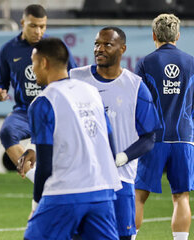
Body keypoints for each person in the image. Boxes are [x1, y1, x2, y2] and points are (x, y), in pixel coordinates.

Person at [23, 37, 122, 240]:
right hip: (101, 192)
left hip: (65, 193)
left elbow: (45, 164)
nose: (32, 70)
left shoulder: (43, 102)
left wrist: (36, 204)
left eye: (33, 63)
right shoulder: (92, 93)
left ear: (44, 63)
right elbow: (110, 145)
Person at [69, 27, 161, 240]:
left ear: (123, 49)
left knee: (122, 237)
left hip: (120, 181)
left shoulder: (136, 87)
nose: (99, 49)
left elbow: (149, 137)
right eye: (96, 44)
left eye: (107, 44)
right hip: (82, 179)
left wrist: (122, 157)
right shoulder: (76, 78)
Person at [0, 4, 77, 181]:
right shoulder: (8, 50)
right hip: (25, 111)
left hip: (53, 110)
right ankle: (39, 181)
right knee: (7, 131)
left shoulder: (55, 47)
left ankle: (54, 179)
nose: (38, 31)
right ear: (23, 22)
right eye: (33, 26)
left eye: (42, 26)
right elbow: (1, 81)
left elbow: (74, 77)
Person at [134, 14, 194, 240]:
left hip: (153, 139)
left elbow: (138, 103)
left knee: (138, 196)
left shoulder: (145, 63)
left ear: (153, 35)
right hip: (184, 139)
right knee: (182, 196)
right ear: (178, 35)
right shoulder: (191, 62)